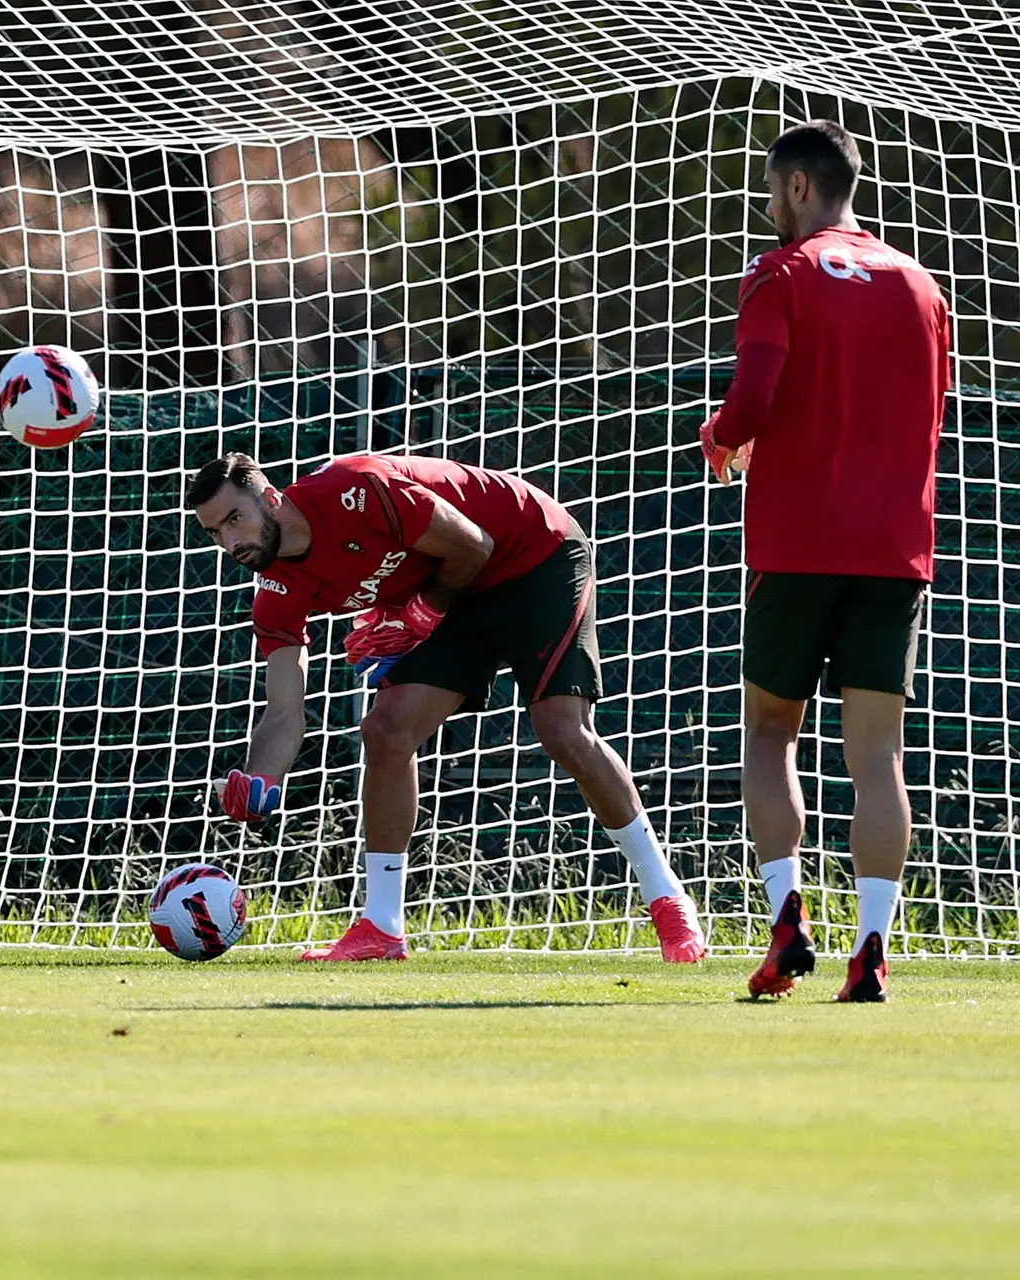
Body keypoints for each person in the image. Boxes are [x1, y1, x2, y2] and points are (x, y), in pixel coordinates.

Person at [188, 451, 706, 963]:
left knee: (562, 730)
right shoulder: (276, 592)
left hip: (530, 552)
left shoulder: (357, 488)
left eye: (237, 519)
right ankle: (382, 928)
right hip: (449, 588)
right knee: (386, 730)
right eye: (215, 533)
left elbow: (473, 544)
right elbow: (284, 708)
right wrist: (259, 780)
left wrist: (420, 612)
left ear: (271, 500)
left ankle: (668, 899)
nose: (232, 541)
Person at [700, 120, 950, 1003]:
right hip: (894, 546)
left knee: (770, 731)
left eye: (773, 193)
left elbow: (755, 397)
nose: (771, 209)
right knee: (877, 755)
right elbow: (931, 418)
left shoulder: (781, 273)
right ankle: (874, 948)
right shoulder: (923, 286)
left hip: (800, 541)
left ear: (798, 188)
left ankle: (787, 923)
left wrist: (722, 439)